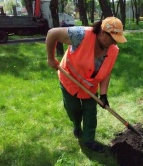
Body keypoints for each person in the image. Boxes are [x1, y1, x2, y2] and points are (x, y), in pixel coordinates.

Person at [45, 17, 127, 153]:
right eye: (111, 38)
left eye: (116, 40)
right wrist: (51, 58)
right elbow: (52, 33)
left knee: (90, 113)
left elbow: (106, 72)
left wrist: (104, 94)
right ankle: (76, 125)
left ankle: (89, 140)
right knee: (73, 109)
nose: (113, 42)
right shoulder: (80, 35)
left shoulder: (113, 49)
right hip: (69, 79)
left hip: (90, 86)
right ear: (101, 32)